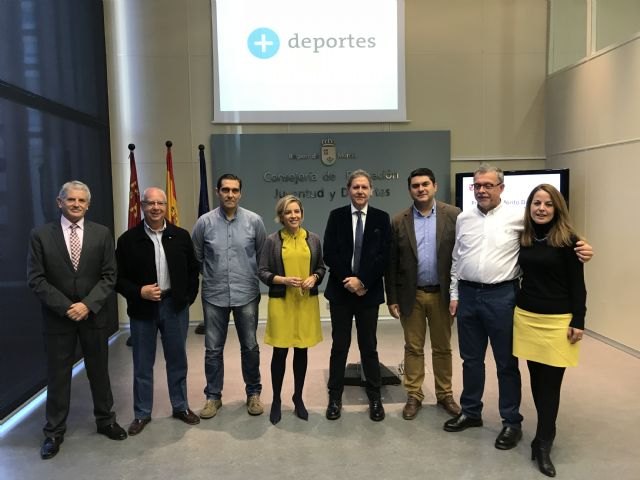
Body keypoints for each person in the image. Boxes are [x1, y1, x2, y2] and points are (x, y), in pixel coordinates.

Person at [444, 164, 592, 451]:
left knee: (506, 363)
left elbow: (552, 235)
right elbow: (456, 258)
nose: (483, 190)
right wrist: (454, 293)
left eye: (489, 185)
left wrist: (583, 247)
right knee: (470, 359)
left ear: (501, 188)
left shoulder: (518, 219)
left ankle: (511, 421)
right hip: (468, 295)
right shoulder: (463, 218)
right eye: (478, 185)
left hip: (503, 296)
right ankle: (471, 411)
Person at [27, 180, 126, 459]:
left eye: (82, 201)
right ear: (60, 202)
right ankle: (54, 432)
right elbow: (36, 279)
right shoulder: (41, 235)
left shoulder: (102, 234)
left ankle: (105, 420)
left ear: (88, 205)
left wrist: (87, 305)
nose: (76, 205)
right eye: (71, 200)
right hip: (58, 319)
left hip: (93, 316)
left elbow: (110, 275)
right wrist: (67, 307)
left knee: (99, 372)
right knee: (58, 377)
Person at [514, 184, 586, 477]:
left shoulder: (569, 241)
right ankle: (541, 436)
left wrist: (578, 321)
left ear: (557, 209)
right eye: (536, 203)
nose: (541, 208)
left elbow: (578, 286)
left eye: (548, 204)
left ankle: (544, 442)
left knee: (551, 384)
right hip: (527, 317)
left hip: (558, 321)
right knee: (536, 379)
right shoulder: (525, 238)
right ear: (529, 207)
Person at [115, 187, 200, 436]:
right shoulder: (128, 240)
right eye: (150, 203)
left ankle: (180, 406)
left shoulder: (181, 236)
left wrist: (186, 299)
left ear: (167, 207)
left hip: (175, 307)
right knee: (142, 363)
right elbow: (117, 278)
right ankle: (142, 413)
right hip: (142, 310)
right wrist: (138, 291)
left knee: (177, 360)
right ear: (142, 206)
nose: (155, 208)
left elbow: (193, 271)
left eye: (160, 203)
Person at [386, 168, 461, 420]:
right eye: (415, 185)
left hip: (442, 294)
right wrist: (392, 298)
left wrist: (457, 294)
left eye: (425, 184)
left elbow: (461, 256)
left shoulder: (453, 216)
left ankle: (445, 394)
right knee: (413, 348)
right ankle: (414, 395)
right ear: (410, 190)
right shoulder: (399, 220)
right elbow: (392, 264)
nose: (421, 189)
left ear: (435, 186)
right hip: (412, 295)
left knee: (442, 348)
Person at [192, 173, 267, 418]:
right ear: (218, 192)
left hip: (246, 293)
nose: (230, 194)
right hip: (214, 295)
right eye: (225, 190)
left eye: (235, 190)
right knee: (213, 349)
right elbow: (197, 257)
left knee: (250, 347)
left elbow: (261, 255)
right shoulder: (204, 222)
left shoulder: (254, 221)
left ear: (241, 193)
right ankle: (213, 397)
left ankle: (253, 394)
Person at [323, 169, 391, 421]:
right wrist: (349, 281)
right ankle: (335, 397)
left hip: (368, 293)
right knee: (339, 346)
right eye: (355, 187)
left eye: (364, 187)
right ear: (348, 190)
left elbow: (384, 256)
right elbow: (330, 253)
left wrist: (362, 280)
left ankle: (375, 397)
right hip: (341, 292)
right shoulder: (337, 216)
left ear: (371, 190)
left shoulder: (381, 219)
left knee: (368, 346)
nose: (360, 191)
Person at [258, 195, 326, 424]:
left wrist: (314, 278)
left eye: (297, 211)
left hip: (305, 304)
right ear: (281, 216)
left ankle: (298, 397)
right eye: (288, 212)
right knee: (280, 353)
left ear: (302, 214)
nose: (293, 216)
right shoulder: (272, 240)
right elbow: (262, 271)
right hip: (281, 303)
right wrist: (282, 280)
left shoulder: (313, 239)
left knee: (302, 351)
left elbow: (321, 267)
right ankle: (277, 400)